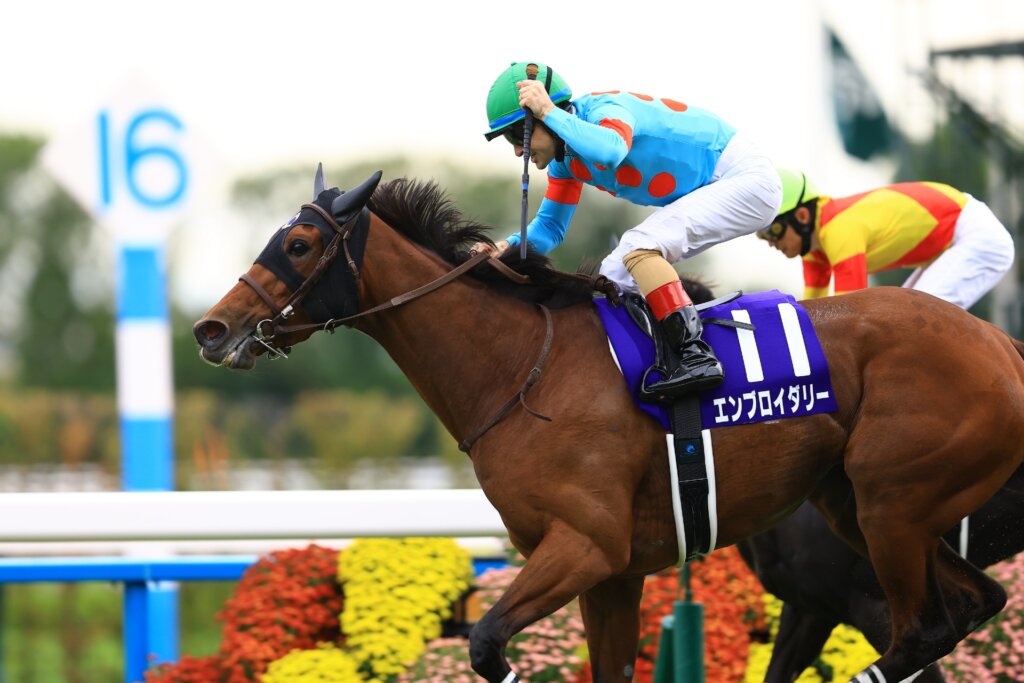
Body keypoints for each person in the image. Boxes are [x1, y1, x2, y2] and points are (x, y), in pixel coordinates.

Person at [476, 61, 782, 400]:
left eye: (516, 136)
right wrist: (503, 247)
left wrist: (547, 111)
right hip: (719, 185)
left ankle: (697, 357)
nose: (518, 150)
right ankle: (659, 362)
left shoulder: (605, 110)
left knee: (638, 247)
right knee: (615, 273)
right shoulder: (567, 160)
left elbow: (611, 150)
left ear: (544, 116)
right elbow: (549, 229)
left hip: (743, 178)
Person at [759, 168, 1015, 308]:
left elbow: (850, 310)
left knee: (910, 317)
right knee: (899, 315)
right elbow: (812, 314)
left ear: (802, 216)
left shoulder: (839, 231)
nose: (770, 242)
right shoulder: (815, 251)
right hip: (949, 244)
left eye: (773, 230)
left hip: (976, 235)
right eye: (762, 235)